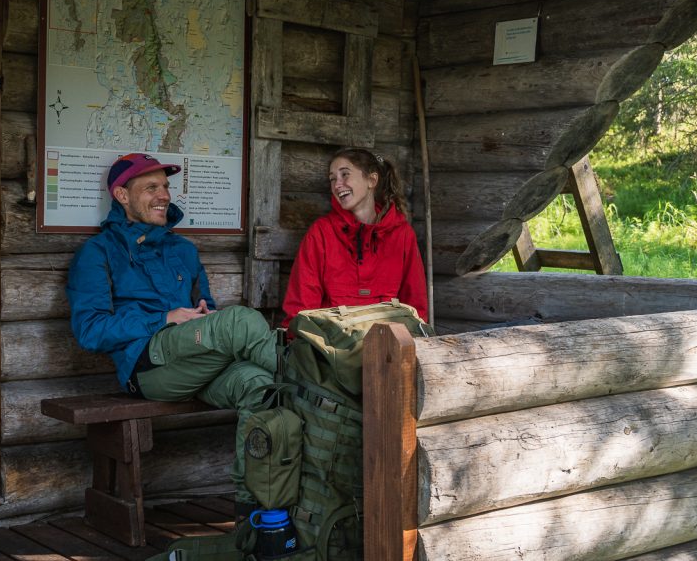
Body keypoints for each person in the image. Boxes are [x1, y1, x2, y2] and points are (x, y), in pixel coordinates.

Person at [66, 153, 277, 513]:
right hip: (147, 367)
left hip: (196, 360)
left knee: (260, 385)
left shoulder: (183, 250)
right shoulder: (98, 252)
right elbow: (90, 331)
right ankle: (315, 384)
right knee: (242, 322)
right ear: (122, 195)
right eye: (151, 187)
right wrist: (163, 319)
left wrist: (206, 314)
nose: (164, 195)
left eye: (165, 186)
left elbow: (205, 304)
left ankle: (256, 510)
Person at [281, 146, 429, 328]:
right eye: (332, 179)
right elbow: (301, 306)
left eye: (345, 174)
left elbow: (415, 304)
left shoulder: (402, 234)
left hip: (388, 342)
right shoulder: (321, 233)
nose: (337, 185)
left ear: (371, 180)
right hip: (334, 343)